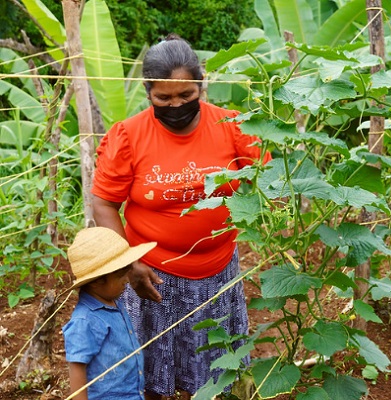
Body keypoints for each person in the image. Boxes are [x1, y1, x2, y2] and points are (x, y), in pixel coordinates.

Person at [90, 34, 271, 399]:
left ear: (201, 85)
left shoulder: (233, 126)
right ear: (148, 93)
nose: (176, 105)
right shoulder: (129, 136)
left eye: (186, 96)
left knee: (212, 369)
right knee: (153, 369)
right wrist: (130, 263)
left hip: (217, 271)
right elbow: (103, 204)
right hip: (152, 276)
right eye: (164, 98)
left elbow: (268, 181)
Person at [62, 227, 157, 400]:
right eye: (121, 276)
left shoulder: (113, 300)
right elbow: (77, 369)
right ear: (98, 281)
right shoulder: (85, 321)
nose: (127, 280)